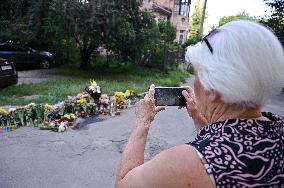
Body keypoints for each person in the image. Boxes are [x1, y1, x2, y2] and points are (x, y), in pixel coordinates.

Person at [115, 20, 284, 187]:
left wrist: (142, 121)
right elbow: (224, 143)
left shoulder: (184, 163)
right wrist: (198, 115)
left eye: (197, 74)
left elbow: (123, 184)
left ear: (212, 91)